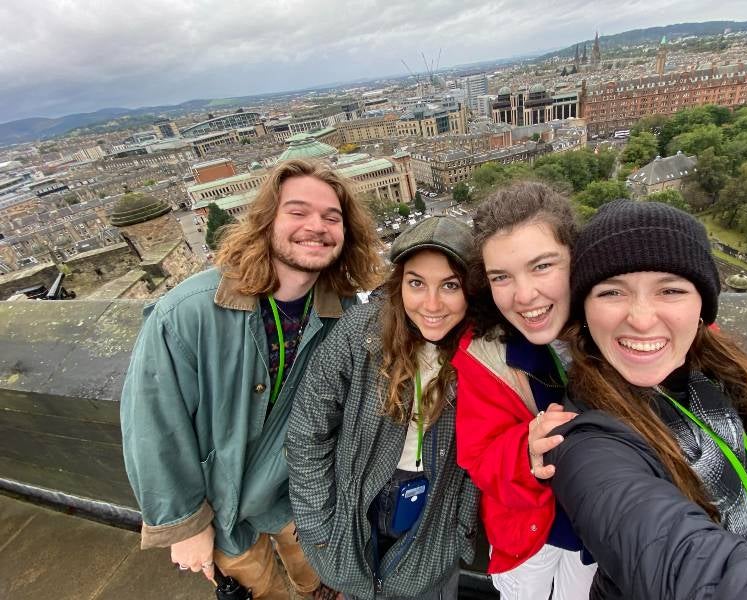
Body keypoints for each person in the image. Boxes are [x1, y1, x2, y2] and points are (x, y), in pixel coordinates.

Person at [451, 181, 747, 600]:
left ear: (578, 262)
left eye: (543, 266)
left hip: (609, 543)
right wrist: (524, 452)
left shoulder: (636, 325)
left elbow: (726, 375)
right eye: (501, 277)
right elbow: (478, 454)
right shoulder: (486, 352)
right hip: (537, 534)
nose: (525, 294)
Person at [120, 159, 382, 599]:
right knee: (259, 592)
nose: (316, 226)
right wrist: (184, 524)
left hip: (299, 494)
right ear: (266, 221)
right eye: (297, 212)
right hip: (221, 506)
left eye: (331, 217)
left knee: (322, 584)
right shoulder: (188, 312)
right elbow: (152, 422)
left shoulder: (345, 315)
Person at [287, 216, 480, 600]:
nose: (432, 305)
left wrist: (460, 531)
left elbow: (489, 451)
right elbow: (308, 431)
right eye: (416, 283)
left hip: (436, 512)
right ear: (399, 283)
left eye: (450, 285)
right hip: (359, 501)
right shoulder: (359, 333)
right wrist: (317, 525)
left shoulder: (483, 351)